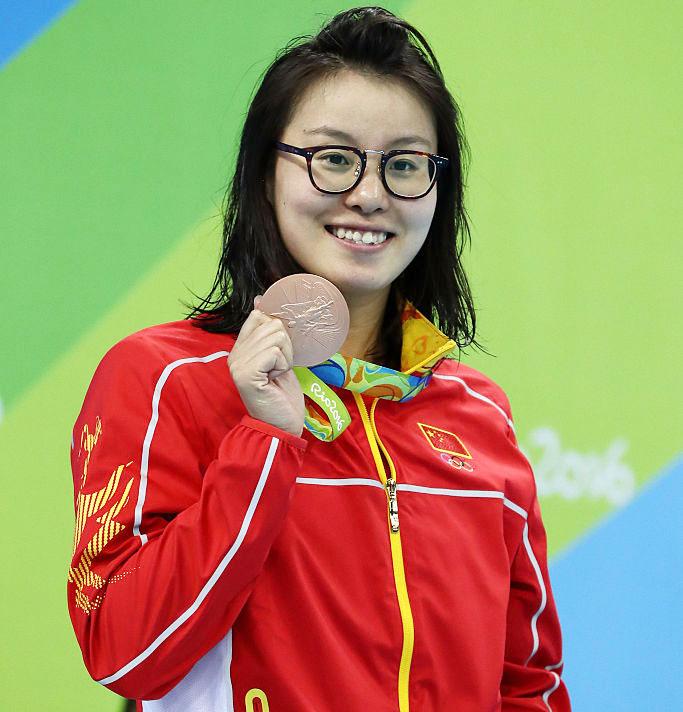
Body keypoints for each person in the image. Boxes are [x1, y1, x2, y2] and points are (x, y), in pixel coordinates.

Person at [68, 6, 571, 711]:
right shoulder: (164, 377)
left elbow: (528, 683)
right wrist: (266, 442)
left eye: (404, 165)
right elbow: (128, 654)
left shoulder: (477, 410)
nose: (368, 196)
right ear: (264, 172)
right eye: (333, 158)